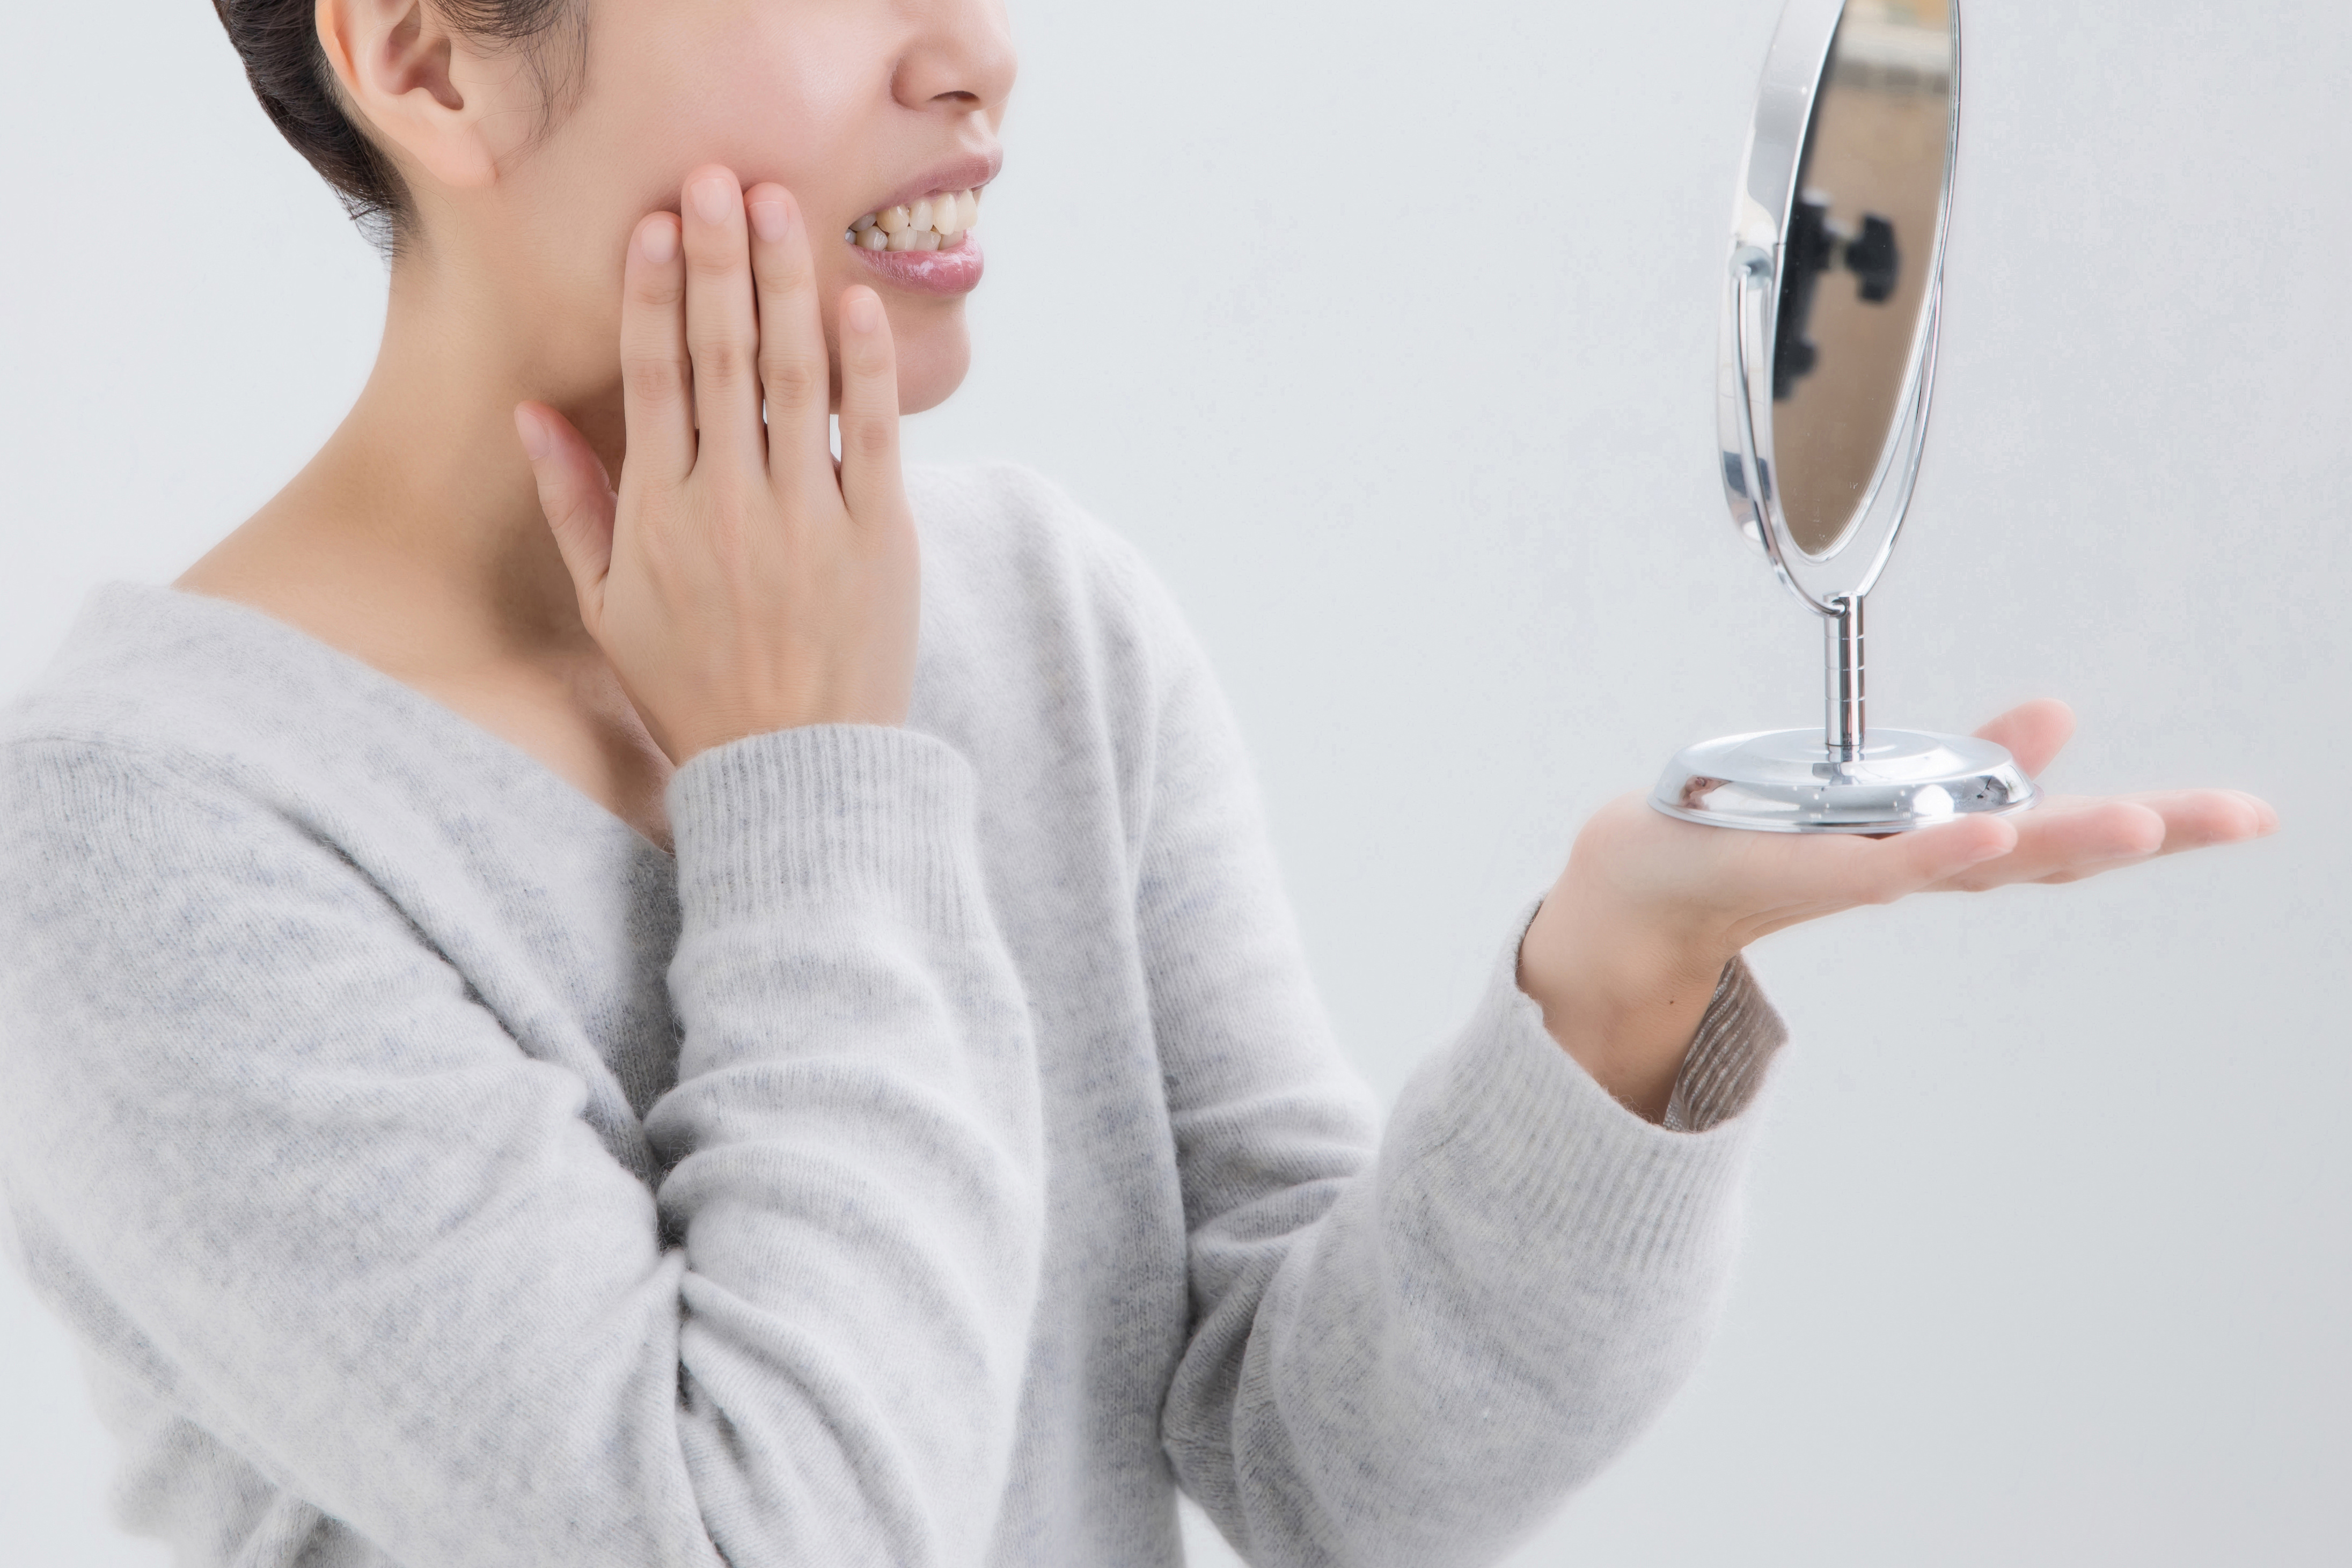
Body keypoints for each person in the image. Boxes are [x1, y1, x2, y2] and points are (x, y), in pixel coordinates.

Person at [0, 2, 2276, 1565]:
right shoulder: (149, 830)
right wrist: (807, 780)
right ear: (423, 55)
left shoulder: (1033, 615)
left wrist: (1619, 982)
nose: (977, 51)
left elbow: (1322, 1465)